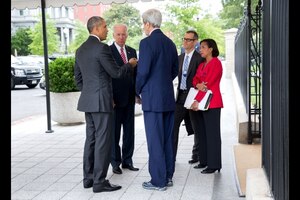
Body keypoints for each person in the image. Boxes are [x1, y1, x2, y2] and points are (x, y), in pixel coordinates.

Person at [74, 16, 137, 193]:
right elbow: (116, 73)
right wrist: (129, 64)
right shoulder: (101, 48)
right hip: (102, 102)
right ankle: (100, 182)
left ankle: (89, 178)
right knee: (103, 141)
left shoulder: (80, 49)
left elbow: (78, 79)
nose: (107, 30)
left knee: (91, 140)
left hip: (88, 102)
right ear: (95, 29)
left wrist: (89, 93)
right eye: (105, 27)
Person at [136, 9, 178, 191]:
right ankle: (167, 176)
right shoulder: (170, 43)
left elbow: (143, 71)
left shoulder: (146, 43)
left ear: (147, 23)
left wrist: (137, 91)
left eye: (143, 24)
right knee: (167, 139)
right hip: (168, 97)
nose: (143, 27)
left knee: (154, 140)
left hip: (152, 99)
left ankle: (158, 181)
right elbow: (175, 70)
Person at [109, 23, 140, 174]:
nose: (121, 37)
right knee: (114, 132)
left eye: (124, 34)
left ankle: (128, 160)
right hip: (114, 100)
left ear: (127, 35)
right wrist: (109, 97)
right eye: (118, 34)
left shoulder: (132, 51)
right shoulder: (108, 51)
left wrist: (136, 94)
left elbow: (135, 75)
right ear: (113, 35)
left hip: (129, 99)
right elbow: (108, 76)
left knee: (129, 131)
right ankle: (115, 162)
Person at [190, 38, 223, 173]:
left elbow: (208, 84)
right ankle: (203, 161)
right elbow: (195, 79)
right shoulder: (202, 64)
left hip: (212, 103)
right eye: (200, 47)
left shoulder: (216, 63)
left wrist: (196, 100)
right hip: (201, 103)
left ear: (211, 49)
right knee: (202, 133)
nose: (200, 49)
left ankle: (214, 164)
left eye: (203, 47)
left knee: (212, 134)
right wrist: (197, 84)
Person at [173, 30, 204, 164]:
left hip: (193, 97)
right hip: (180, 96)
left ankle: (197, 155)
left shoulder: (199, 59)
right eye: (184, 39)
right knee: (173, 126)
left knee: (197, 127)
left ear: (195, 41)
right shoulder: (179, 58)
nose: (185, 41)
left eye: (189, 39)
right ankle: (171, 156)